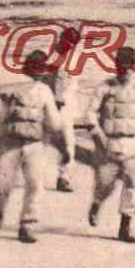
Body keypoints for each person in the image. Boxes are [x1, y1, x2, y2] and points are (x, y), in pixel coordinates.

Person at [0, 50, 68, 244]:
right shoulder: (12, 89)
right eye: (33, 69)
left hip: (35, 144)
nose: (36, 73)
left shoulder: (44, 92)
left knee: (35, 184)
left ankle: (27, 224)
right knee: (3, 183)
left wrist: (62, 143)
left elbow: (54, 122)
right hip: (11, 142)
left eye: (39, 70)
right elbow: (1, 117)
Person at [87, 46, 135, 244]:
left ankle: (125, 227)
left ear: (134, 66)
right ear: (116, 66)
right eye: (121, 67)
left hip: (133, 144)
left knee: (133, 186)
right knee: (104, 185)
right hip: (110, 143)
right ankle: (97, 204)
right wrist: (98, 135)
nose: (124, 71)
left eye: (128, 67)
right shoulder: (105, 88)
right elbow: (90, 114)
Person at [50, 26, 82, 192]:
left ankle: (63, 177)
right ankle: (63, 177)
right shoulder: (61, 59)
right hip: (59, 105)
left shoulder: (60, 57)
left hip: (61, 104)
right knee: (67, 143)